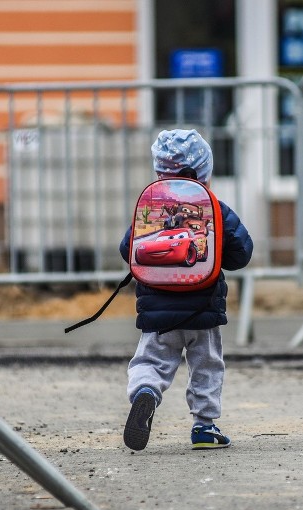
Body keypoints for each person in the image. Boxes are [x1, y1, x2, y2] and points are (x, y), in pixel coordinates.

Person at [119, 129, 253, 451]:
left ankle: (146, 392)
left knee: (150, 361)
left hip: (158, 312)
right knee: (206, 365)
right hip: (202, 310)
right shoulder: (214, 208)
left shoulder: (152, 205)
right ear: (204, 172)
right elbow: (241, 253)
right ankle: (205, 426)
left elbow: (129, 249)